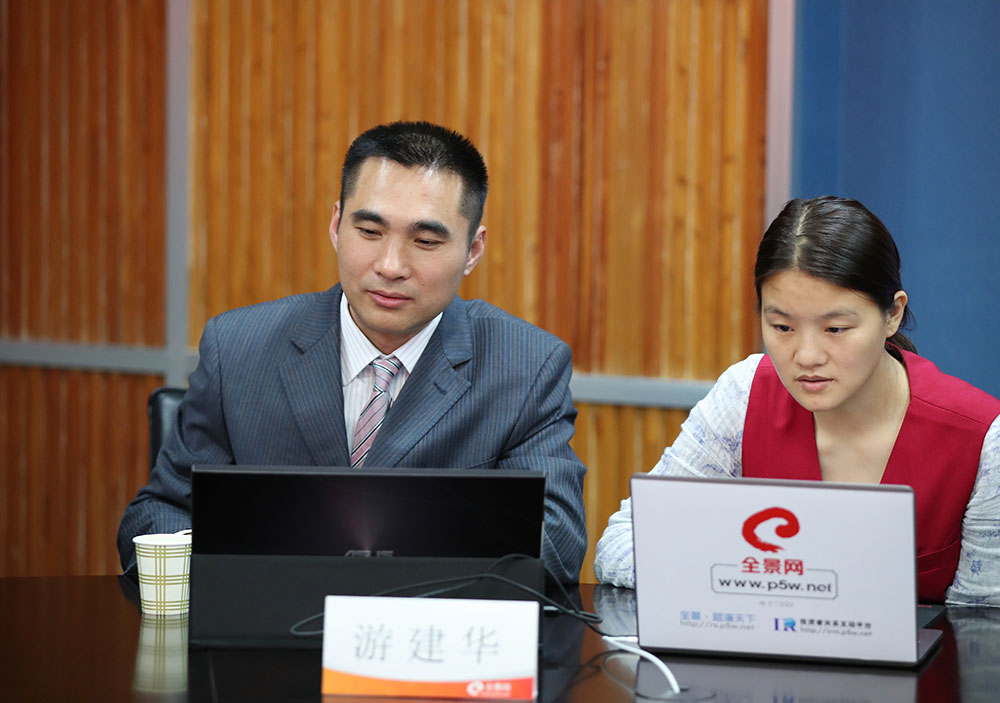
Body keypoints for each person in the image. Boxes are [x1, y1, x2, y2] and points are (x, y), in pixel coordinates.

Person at [118, 121, 587, 583]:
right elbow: (162, 512)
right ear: (336, 225)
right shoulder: (239, 348)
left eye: (425, 241)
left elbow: (556, 542)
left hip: (429, 626)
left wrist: (381, 574)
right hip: (267, 623)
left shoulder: (526, 366)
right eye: (369, 231)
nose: (390, 266)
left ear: (473, 250)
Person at [594, 196, 1000, 605]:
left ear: (892, 314)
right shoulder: (743, 395)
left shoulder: (983, 439)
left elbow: (984, 622)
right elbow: (623, 543)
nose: (806, 356)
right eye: (782, 327)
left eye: (835, 329)